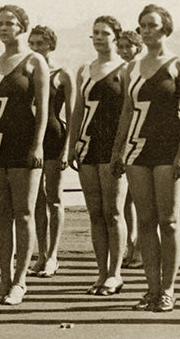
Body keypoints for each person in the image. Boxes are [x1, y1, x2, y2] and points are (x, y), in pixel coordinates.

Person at [112, 4, 180, 312]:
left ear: (165, 29)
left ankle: (168, 290)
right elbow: (126, 112)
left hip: (168, 149)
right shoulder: (130, 68)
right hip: (137, 149)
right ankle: (152, 288)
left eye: (152, 26)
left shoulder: (178, 65)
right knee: (146, 222)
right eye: (143, 26)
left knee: (169, 220)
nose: (147, 31)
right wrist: (118, 149)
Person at [0, 5, 49, 305]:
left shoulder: (35, 62)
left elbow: (43, 109)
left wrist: (37, 145)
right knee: (1, 214)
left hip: (24, 145)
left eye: (9, 23)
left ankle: (19, 282)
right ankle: (3, 280)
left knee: (24, 213)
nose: (3, 28)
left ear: (22, 27)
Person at [70, 16, 128, 296]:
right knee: (95, 213)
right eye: (94, 33)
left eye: (105, 33)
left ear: (116, 37)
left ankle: (115, 273)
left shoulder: (126, 69)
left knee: (113, 211)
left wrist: (122, 149)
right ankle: (101, 271)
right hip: (88, 145)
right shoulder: (84, 69)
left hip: (114, 147)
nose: (99, 37)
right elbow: (78, 110)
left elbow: (131, 111)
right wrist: (72, 145)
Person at [28, 25, 74, 278]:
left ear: (50, 45)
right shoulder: (27, 71)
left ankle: (54, 255)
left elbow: (71, 114)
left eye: (41, 43)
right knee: (36, 200)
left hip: (55, 138)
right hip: (30, 139)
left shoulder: (62, 74)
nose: (36, 48)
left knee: (54, 198)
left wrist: (68, 149)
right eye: (32, 43)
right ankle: (42, 253)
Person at [115, 29, 144, 269]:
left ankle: (140, 248)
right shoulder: (125, 70)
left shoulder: (138, 68)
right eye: (121, 47)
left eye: (129, 47)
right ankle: (132, 243)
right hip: (124, 136)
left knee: (138, 197)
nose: (124, 51)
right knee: (126, 200)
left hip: (139, 137)